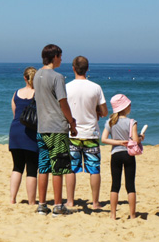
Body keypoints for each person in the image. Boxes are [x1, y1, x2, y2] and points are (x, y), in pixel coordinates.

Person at [33, 44, 77, 217]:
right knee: (58, 166)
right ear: (54, 57)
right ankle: (58, 205)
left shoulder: (37, 75)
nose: (61, 59)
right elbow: (63, 102)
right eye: (60, 56)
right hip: (56, 127)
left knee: (43, 166)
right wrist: (71, 122)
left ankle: (42, 205)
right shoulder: (57, 77)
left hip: (41, 126)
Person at [65, 56, 108, 209]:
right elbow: (104, 112)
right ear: (88, 69)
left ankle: (70, 201)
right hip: (91, 133)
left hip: (72, 133)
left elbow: (63, 109)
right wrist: (95, 109)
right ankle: (95, 202)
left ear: (73, 68)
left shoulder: (67, 87)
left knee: (71, 168)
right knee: (94, 169)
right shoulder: (96, 87)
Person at [101, 94, 144, 220]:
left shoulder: (110, 122)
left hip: (115, 155)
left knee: (115, 185)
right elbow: (135, 141)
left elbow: (104, 139)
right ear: (126, 108)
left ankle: (113, 215)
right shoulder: (132, 122)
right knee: (130, 185)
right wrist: (141, 138)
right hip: (128, 155)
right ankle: (132, 215)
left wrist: (118, 142)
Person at [8, 67, 38, 205]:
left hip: (15, 131)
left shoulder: (16, 93)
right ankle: (31, 201)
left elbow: (15, 114)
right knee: (31, 169)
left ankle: (12, 198)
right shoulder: (39, 94)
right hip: (31, 132)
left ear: (24, 78)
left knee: (17, 167)